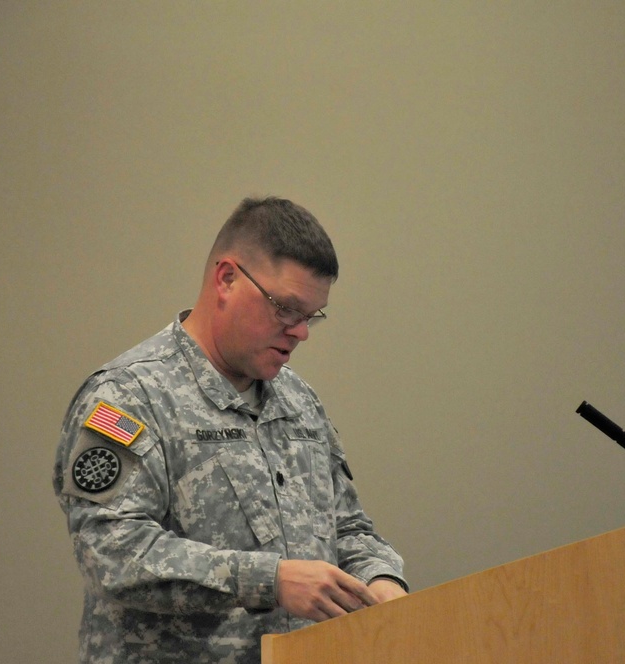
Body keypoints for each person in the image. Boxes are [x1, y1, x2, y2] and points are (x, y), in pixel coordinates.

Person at [53, 196, 408, 663]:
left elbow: (348, 529)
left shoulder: (298, 401)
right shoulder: (129, 396)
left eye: (311, 316)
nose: (300, 332)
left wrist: (382, 581)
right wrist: (270, 580)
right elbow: (112, 553)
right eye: (286, 309)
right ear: (227, 278)